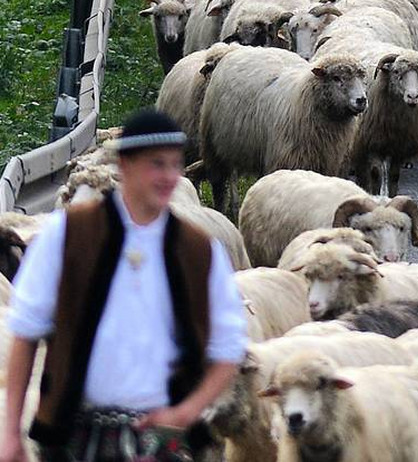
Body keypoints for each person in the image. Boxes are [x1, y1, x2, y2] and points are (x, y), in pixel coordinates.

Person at [1, 110, 247, 462]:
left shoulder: (200, 250)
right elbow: (26, 332)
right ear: (126, 165)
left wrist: (187, 411)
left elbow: (228, 349)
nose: (168, 177)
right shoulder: (66, 235)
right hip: (75, 431)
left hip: (163, 439)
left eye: (175, 165)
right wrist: (11, 433)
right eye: (156, 164)